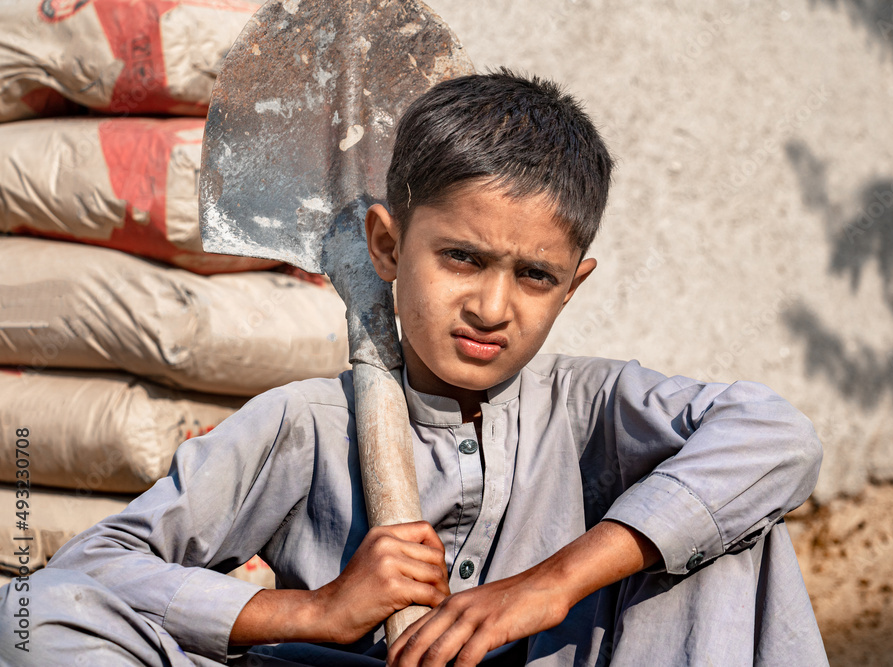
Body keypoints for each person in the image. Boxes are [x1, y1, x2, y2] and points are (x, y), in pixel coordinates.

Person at [0, 70, 828, 666]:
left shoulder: (589, 405)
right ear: (389, 246)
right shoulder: (307, 423)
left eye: (533, 275)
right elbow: (86, 574)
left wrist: (550, 584)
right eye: (461, 258)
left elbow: (778, 436)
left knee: (730, 529)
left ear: (574, 285)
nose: (492, 306)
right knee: (34, 618)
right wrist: (316, 610)